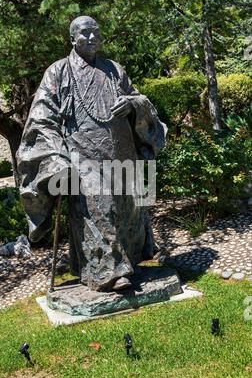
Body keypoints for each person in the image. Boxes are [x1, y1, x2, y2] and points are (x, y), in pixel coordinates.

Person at [17, 16, 167, 291]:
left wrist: (133, 105)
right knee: (99, 208)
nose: (92, 37)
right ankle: (110, 272)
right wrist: (56, 157)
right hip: (82, 158)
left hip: (122, 153)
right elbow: (41, 119)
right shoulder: (58, 72)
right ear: (73, 39)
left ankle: (128, 262)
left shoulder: (114, 69)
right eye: (85, 33)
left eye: (96, 32)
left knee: (129, 210)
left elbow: (139, 98)